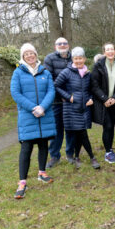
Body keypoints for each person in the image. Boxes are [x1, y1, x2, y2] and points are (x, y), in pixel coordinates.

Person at [11, 43, 57, 199]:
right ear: (23, 57)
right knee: (26, 148)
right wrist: (33, 108)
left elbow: (51, 90)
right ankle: (22, 182)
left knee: (43, 145)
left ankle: (42, 173)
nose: (30, 56)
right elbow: (15, 93)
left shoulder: (45, 72)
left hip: (44, 114)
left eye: (32, 53)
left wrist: (43, 107)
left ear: (36, 54)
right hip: (28, 116)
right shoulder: (18, 72)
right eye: (26, 54)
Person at [54, 47, 100, 169]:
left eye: (80, 58)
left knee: (79, 133)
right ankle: (92, 157)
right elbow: (56, 86)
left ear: (84, 59)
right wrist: (68, 97)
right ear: (73, 59)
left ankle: (76, 157)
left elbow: (89, 89)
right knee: (82, 133)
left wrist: (91, 98)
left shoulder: (87, 73)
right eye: (76, 58)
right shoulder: (66, 72)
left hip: (84, 108)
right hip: (71, 109)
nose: (78, 61)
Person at [91, 43, 115, 164]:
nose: (110, 51)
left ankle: (110, 150)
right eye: (107, 49)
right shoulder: (98, 66)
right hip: (102, 103)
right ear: (104, 52)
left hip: (114, 102)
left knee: (112, 127)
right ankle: (108, 153)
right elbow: (94, 85)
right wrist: (105, 99)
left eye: (112, 49)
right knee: (108, 126)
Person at [44, 37, 75, 168]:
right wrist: (62, 95)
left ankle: (70, 154)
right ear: (55, 46)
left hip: (72, 100)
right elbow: (49, 80)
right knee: (56, 130)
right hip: (56, 101)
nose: (62, 45)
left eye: (65, 43)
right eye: (59, 44)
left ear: (68, 45)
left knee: (71, 128)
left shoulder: (74, 57)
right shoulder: (49, 59)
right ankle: (54, 156)